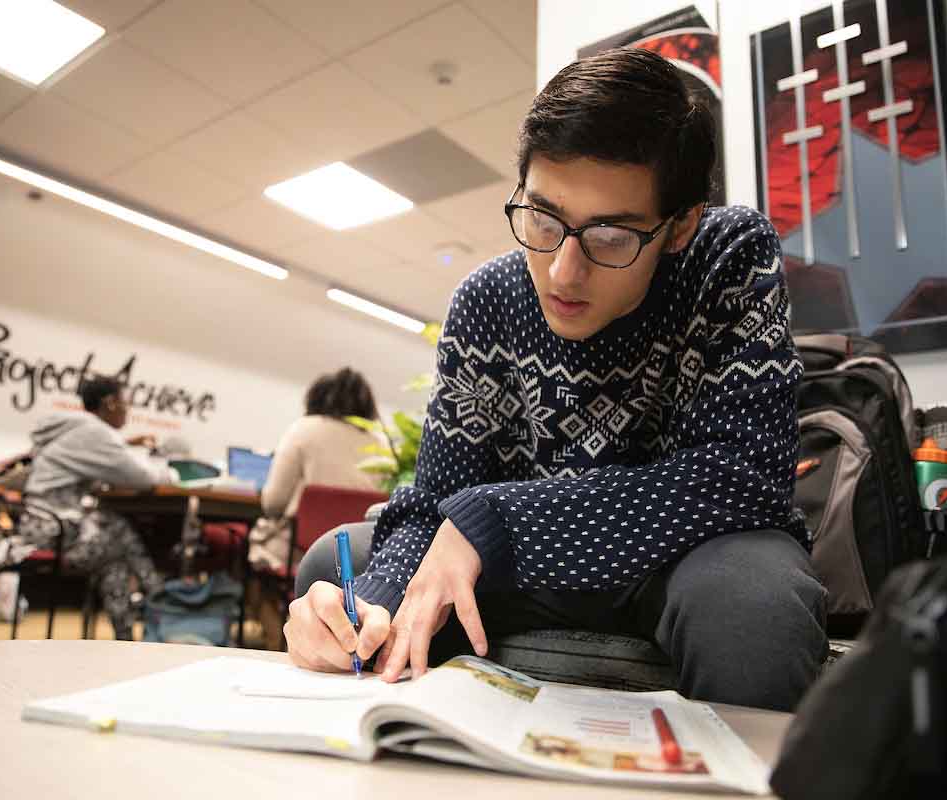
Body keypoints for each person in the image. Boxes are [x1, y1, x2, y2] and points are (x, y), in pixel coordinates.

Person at [285, 47, 827, 712]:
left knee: (755, 607)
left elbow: (742, 477)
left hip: (679, 559)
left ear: (681, 223)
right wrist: (368, 607)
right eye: (542, 219)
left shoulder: (727, 257)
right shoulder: (486, 299)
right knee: (334, 577)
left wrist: (498, 521)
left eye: (611, 237)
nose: (564, 272)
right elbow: (437, 503)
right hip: (519, 574)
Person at [21, 374, 173, 640]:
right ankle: (162, 600)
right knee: (119, 529)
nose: (128, 410)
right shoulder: (96, 432)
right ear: (110, 402)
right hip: (52, 531)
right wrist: (172, 473)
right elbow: (144, 478)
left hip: (39, 524)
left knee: (114, 560)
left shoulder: (76, 427)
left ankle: (127, 638)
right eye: (125, 402)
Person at [249, 367, 383, 573]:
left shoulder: (303, 429)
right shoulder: (379, 444)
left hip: (300, 553)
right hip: (355, 560)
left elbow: (273, 502)